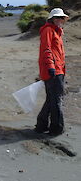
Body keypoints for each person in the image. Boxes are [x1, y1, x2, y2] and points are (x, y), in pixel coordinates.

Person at [35, 8, 69, 136]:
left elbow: (58, 53)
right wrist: (51, 67)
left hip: (58, 69)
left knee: (52, 99)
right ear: (53, 19)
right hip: (53, 70)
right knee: (57, 99)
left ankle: (41, 125)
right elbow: (46, 49)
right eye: (58, 18)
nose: (61, 20)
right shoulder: (48, 30)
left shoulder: (57, 31)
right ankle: (56, 128)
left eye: (62, 18)